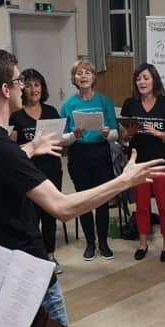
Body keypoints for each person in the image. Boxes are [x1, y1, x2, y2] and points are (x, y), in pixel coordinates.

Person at [0, 48, 165, 326]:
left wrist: (30, 147)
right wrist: (123, 181)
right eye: (18, 82)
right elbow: (62, 208)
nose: (23, 88)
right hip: (24, 272)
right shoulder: (0, 148)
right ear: (5, 90)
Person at [120, 63, 165, 262]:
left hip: (162, 162)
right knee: (142, 206)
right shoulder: (130, 104)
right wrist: (130, 133)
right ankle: (143, 243)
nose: (142, 82)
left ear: (154, 80)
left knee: (164, 206)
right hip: (139, 163)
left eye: (146, 77)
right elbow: (125, 138)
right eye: (138, 78)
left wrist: (158, 133)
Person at [59, 59, 118, 261]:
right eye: (79, 73)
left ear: (93, 77)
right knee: (83, 201)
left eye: (87, 72)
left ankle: (103, 242)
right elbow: (62, 138)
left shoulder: (105, 101)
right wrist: (73, 135)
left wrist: (107, 133)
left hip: (101, 152)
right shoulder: (68, 105)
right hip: (79, 155)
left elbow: (115, 134)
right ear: (74, 78)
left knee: (101, 199)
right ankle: (90, 243)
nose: (83, 76)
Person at [10, 68, 63, 273]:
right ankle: (35, 256)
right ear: (23, 89)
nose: (34, 89)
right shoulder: (16, 115)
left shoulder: (51, 112)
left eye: (37, 84)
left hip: (52, 168)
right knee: (30, 216)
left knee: (50, 212)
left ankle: (49, 254)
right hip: (28, 171)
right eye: (29, 85)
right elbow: (12, 147)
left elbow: (58, 142)